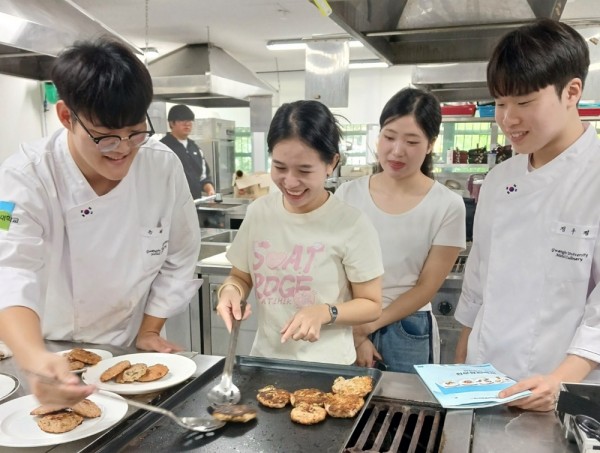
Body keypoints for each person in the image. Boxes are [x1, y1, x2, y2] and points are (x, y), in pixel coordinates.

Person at [0, 38, 201, 405]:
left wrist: (150, 331)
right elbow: (10, 271)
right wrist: (34, 359)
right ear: (66, 116)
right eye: (106, 137)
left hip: (129, 350)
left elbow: (180, 255)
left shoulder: (161, 165)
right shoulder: (22, 178)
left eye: (136, 132)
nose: (123, 148)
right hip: (49, 352)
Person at [454, 18, 600, 412]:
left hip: (565, 389)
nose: (508, 119)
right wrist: (458, 369)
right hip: (485, 379)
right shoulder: (501, 179)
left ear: (571, 92)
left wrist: (557, 381)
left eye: (523, 103)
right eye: (500, 104)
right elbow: (478, 283)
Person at [216, 100, 383, 365]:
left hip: (329, 368)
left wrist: (325, 312)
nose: (290, 182)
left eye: (304, 170)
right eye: (280, 167)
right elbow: (240, 277)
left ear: (332, 163)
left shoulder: (351, 224)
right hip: (266, 361)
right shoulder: (260, 212)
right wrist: (230, 292)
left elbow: (372, 304)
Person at [336, 88, 466, 373]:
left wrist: (368, 326)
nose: (397, 150)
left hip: (408, 326)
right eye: (389, 136)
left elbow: (426, 288)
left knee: (405, 413)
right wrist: (357, 335)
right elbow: (334, 269)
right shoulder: (348, 194)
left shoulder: (447, 205)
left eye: (411, 141)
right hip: (349, 319)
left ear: (431, 144)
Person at [161, 104, 216, 199]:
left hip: (195, 204)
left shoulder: (195, 148)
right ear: (171, 123)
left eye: (190, 120)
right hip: (172, 206)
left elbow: (203, 177)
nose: (187, 124)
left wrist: (210, 190)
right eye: (182, 120)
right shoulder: (162, 148)